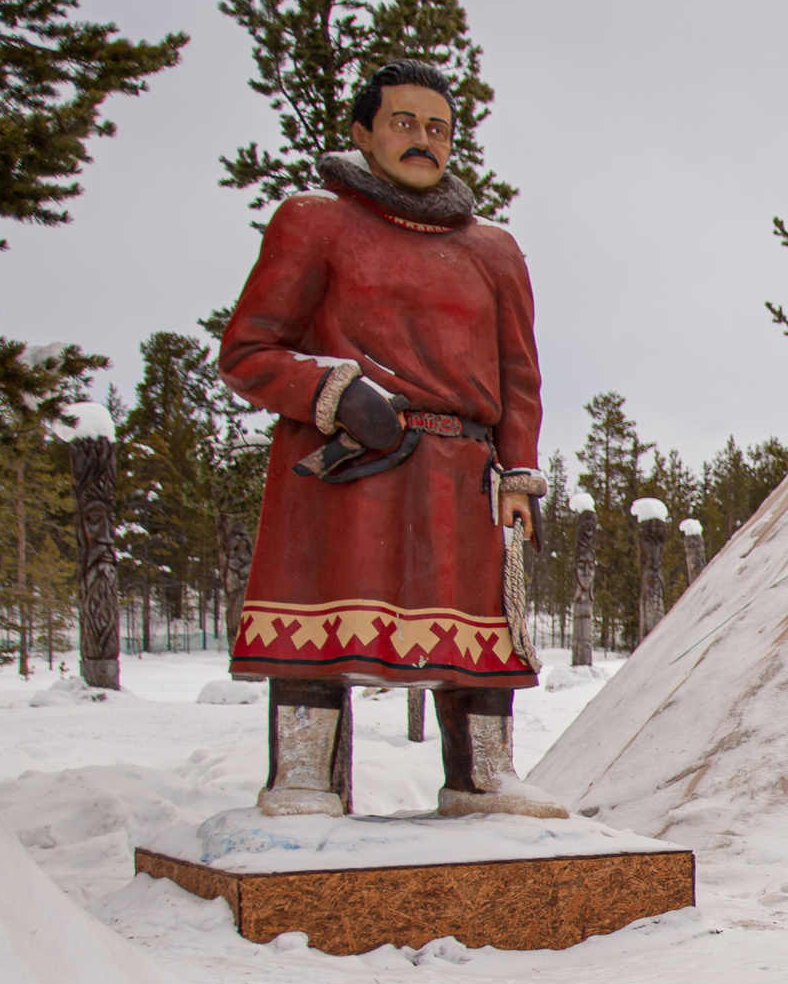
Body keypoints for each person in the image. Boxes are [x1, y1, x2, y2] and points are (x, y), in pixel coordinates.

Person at [219, 58, 564, 819]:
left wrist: (518, 471)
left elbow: (518, 375)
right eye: (404, 122)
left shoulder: (493, 250)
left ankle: (482, 777)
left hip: (461, 469)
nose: (423, 139)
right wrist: (330, 393)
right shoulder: (314, 222)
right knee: (319, 614)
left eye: (437, 128)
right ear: (363, 134)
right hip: (351, 458)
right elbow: (248, 351)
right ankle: (305, 775)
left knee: (478, 633)